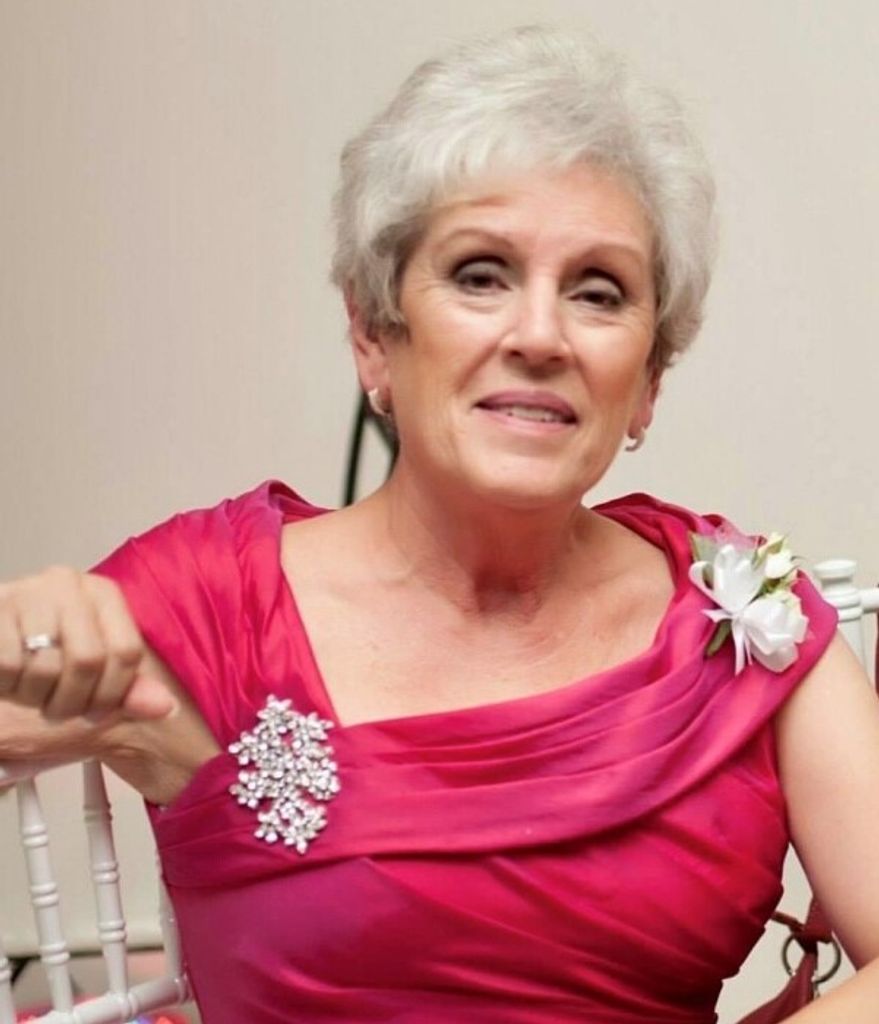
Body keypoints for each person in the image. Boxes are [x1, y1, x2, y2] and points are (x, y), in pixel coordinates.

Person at [1, 25, 878, 1024]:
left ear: (648, 381)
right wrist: (20, 635)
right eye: (479, 274)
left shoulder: (751, 627)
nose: (540, 336)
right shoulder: (215, 605)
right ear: (373, 334)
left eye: (598, 293)